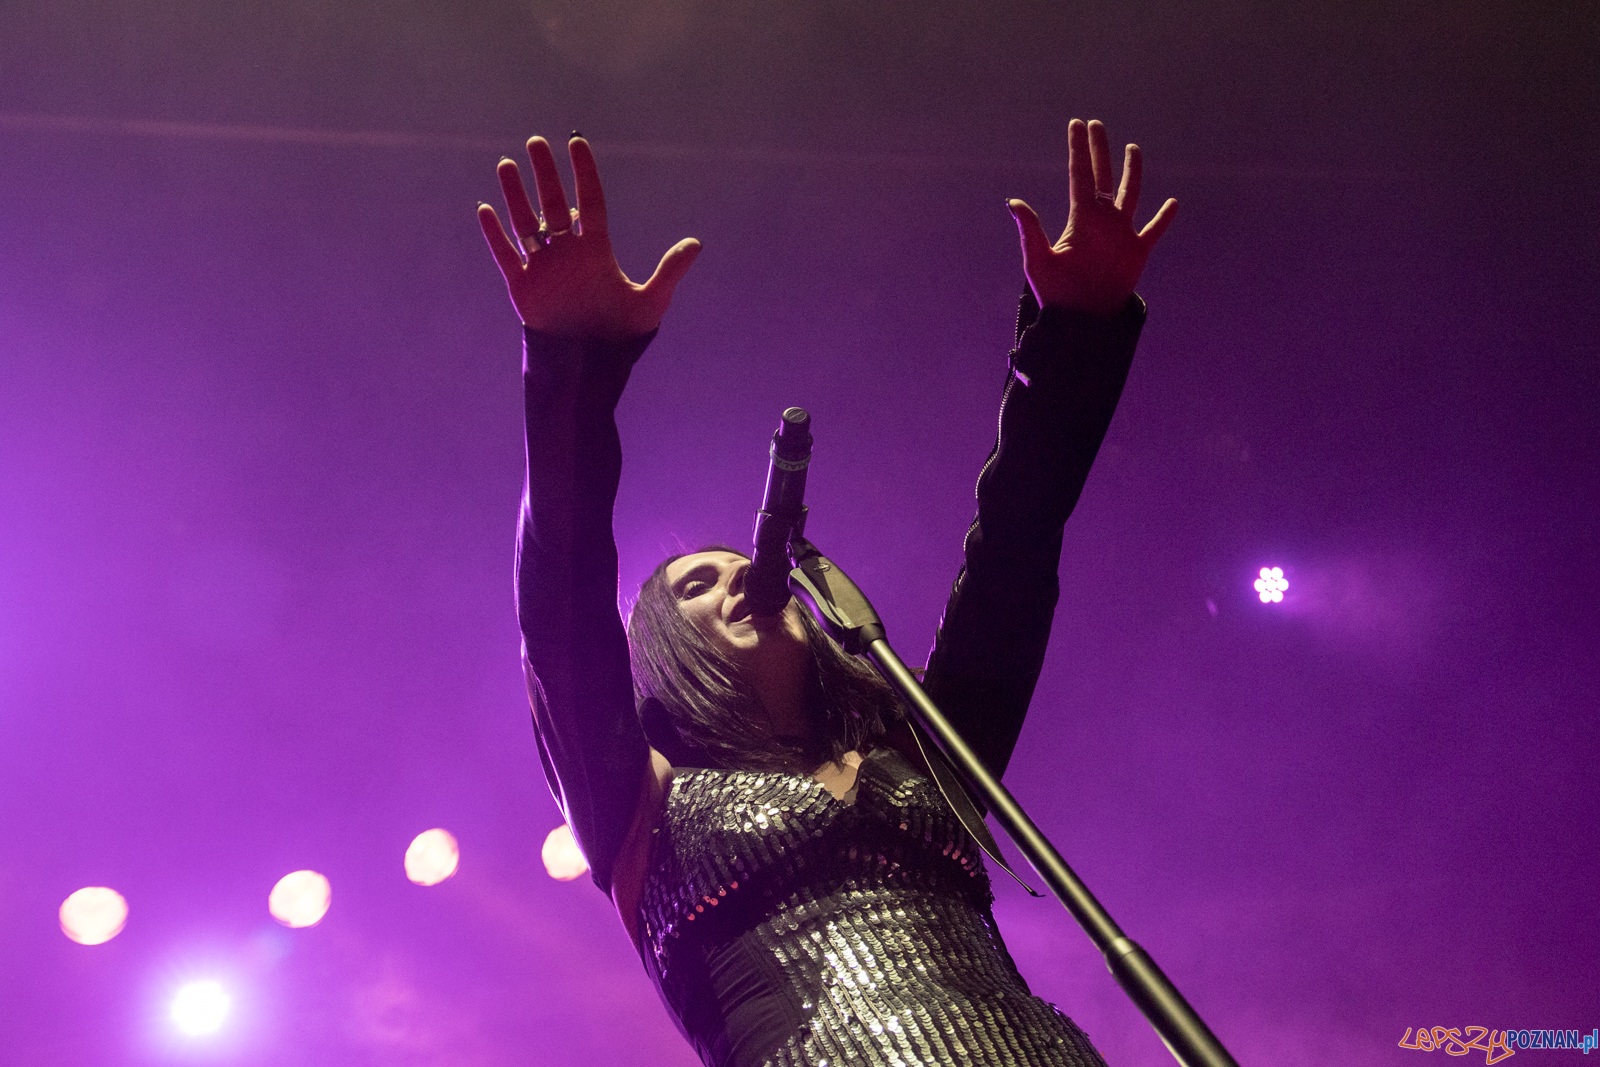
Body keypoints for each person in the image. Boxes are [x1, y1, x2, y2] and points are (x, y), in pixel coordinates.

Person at [478, 120, 1176, 1067]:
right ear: (661, 658)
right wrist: (573, 361)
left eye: (735, 565)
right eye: (695, 586)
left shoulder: (918, 746)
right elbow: (558, 606)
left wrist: (1076, 336)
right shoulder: (637, 799)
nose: (737, 576)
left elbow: (1015, 552)